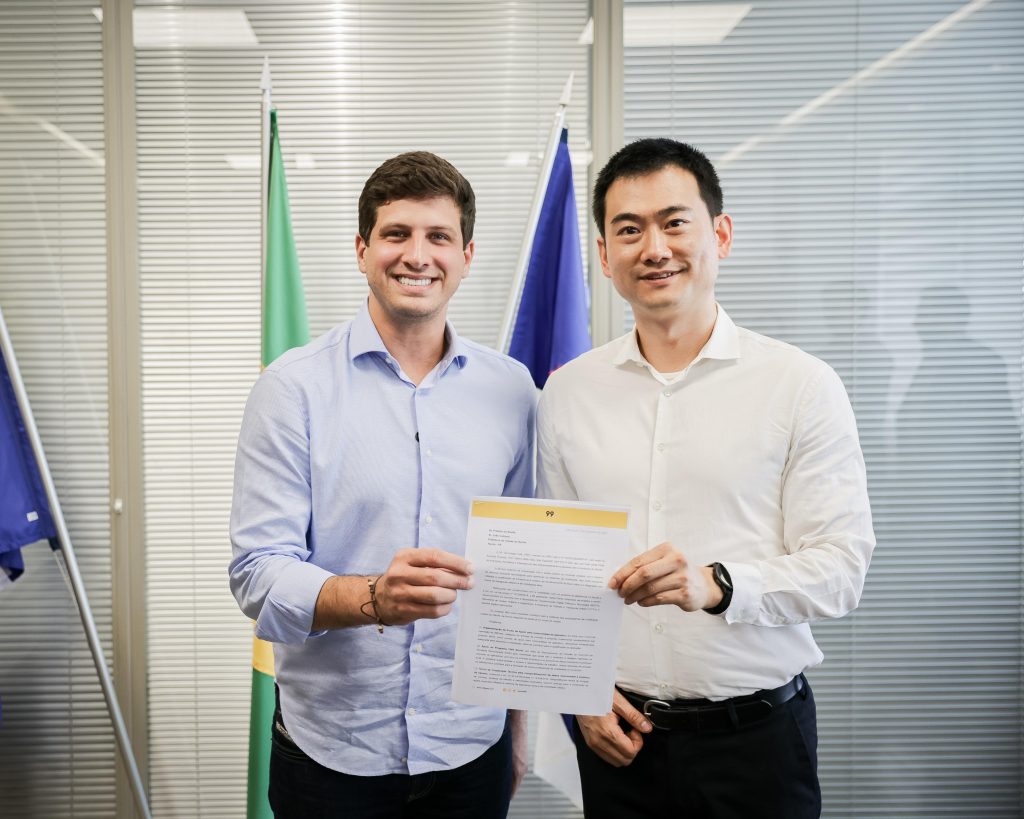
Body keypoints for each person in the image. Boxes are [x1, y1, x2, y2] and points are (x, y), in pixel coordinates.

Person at [537, 138, 875, 818]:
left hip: (756, 745)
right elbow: (558, 563)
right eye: (628, 230)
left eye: (674, 222)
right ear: (604, 255)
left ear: (719, 234)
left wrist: (717, 584)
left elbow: (842, 568)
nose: (654, 248)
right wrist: (579, 691)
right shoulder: (568, 392)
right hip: (619, 741)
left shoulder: (800, 385)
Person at [229, 151, 536, 818]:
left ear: (467, 255)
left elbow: (518, 579)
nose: (416, 255)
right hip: (331, 758)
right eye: (396, 234)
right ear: (362, 250)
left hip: (471, 749)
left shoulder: (514, 391)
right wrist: (372, 597)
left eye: (438, 236)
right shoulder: (292, 389)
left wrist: (520, 730)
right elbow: (257, 573)